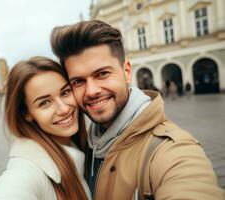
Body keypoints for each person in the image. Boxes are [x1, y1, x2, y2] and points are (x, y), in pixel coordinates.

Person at [51, 20, 224, 199]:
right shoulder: (86, 144)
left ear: (126, 71)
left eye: (102, 74)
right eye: (78, 81)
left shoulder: (172, 150)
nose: (92, 91)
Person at [0, 57, 91, 200]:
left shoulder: (83, 144)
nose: (64, 109)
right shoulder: (27, 170)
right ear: (26, 113)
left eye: (65, 92)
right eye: (45, 102)